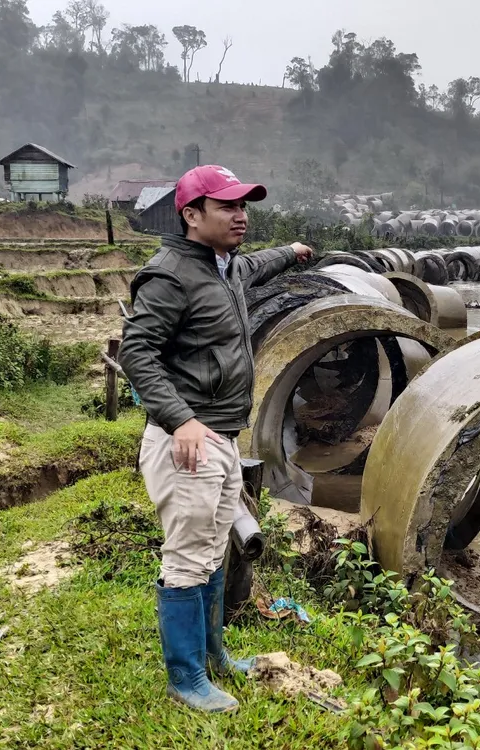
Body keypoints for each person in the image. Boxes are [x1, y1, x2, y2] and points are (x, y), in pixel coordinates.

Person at [119, 165, 313, 713]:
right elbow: (137, 352)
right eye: (227, 206)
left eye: (244, 205)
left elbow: (256, 264)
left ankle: (215, 659)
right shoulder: (170, 276)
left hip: (222, 437)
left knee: (210, 551)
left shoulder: (224, 266)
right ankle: (185, 679)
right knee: (187, 556)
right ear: (191, 214)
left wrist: (294, 251)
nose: (241, 215)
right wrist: (180, 419)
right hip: (188, 443)